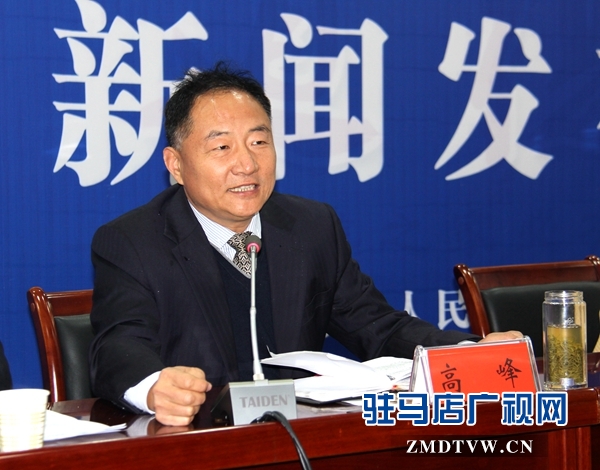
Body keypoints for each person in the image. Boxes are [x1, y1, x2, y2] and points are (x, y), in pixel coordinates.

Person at [89, 62, 521, 426]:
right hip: (199, 444)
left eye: (259, 141)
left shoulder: (311, 227)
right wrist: (154, 387)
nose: (246, 163)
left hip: (300, 441)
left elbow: (377, 326)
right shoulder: (133, 241)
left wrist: (467, 353)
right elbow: (117, 345)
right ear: (176, 165)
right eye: (221, 147)